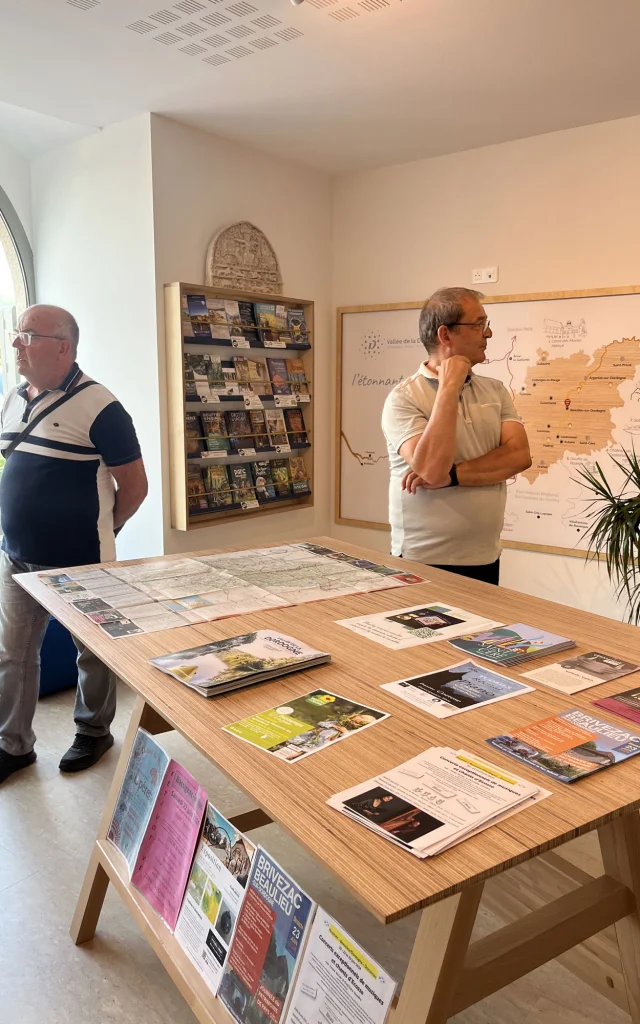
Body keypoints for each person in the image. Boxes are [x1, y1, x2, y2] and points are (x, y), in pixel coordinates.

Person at [0, 304, 148, 784]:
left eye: (27, 335)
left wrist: (108, 530)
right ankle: (13, 745)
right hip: (17, 555)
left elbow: (136, 486)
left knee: (94, 651)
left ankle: (94, 731)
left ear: (62, 346)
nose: (16, 344)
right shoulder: (12, 398)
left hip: (84, 562)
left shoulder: (101, 406)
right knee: (12, 654)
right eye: (16, 334)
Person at [381, 287, 531, 585]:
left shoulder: (495, 390)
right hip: (423, 559)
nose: (487, 334)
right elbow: (430, 468)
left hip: (485, 556)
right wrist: (450, 383)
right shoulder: (404, 398)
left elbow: (518, 456)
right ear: (445, 335)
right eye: (478, 325)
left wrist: (452, 476)